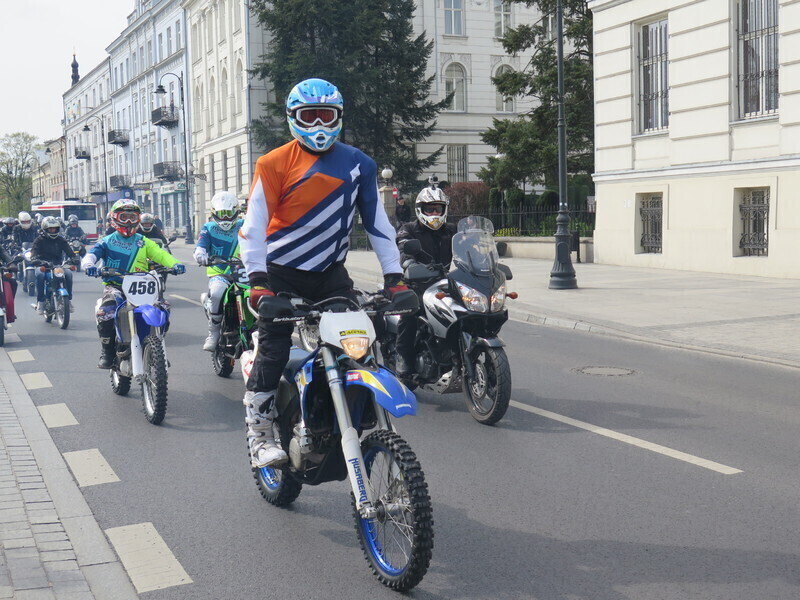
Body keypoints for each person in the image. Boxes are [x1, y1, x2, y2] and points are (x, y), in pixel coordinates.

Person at [239, 77, 406, 468]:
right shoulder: (273, 163)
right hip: (280, 274)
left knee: (364, 342)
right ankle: (259, 432)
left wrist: (394, 279)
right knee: (274, 347)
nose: (317, 126)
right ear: (293, 118)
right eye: (308, 116)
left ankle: (346, 412)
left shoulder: (359, 164)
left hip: (331, 274)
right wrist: (258, 282)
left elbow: (378, 224)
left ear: (339, 118)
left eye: (325, 116)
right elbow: (254, 226)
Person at [82, 201, 185, 369]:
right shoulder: (107, 241)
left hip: (142, 286)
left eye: (133, 217)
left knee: (163, 308)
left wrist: (175, 264)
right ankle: (107, 351)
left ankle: (158, 349)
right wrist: (89, 265)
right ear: (115, 218)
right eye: (124, 217)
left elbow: (161, 254)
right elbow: (92, 255)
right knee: (105, 312)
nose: (129, 221)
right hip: (115, 285)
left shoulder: (143, 242)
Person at [393, 184, 457, 376]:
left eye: (438, 208)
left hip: (443, 283)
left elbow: (469, 246)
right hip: (415, 282)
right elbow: (404, 247)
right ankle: (402, 355)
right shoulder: (409, 229)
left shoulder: (451, 230)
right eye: (430, 209)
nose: (435, 212)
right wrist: (410, 264)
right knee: (411, 312)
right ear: (421, 210)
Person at [193, 191, 243, 351]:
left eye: (229, 214)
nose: (226, 218)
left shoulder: (245, 224)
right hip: (220, 273)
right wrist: (200, 255)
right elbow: (200, 246)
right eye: (222, 214)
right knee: (216, 294)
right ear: (214, 213)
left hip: (244, 273)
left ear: (236, 211)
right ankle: (213, 333)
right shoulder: (209, 228)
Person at [31, 216, 77, 314]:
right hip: (44, 265)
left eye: (55, 228)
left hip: (58, 266)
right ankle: (41, 302)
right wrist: (35, 259)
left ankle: (68, 300)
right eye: (50, 229)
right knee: (40, 275)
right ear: (45, 229)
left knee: (68, 274)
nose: (53, 230)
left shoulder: (61, 240)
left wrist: (74, 258)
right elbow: (34, 251)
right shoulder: (39, 240)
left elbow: (69, 251)